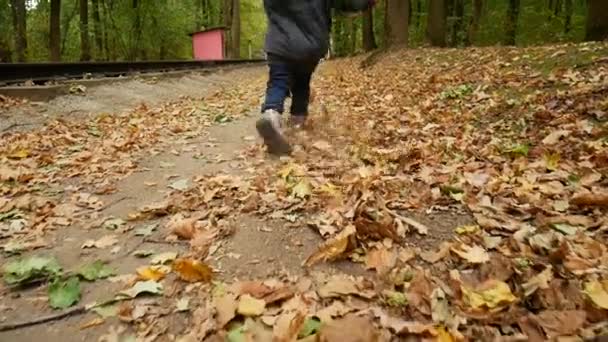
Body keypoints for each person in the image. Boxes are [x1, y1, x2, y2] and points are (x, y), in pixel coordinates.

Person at [257, 0, 375, 155]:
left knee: (278, 81)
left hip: (279, 43)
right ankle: (297, 126)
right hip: (310, 45)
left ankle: (271, 115)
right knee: (302, 82)